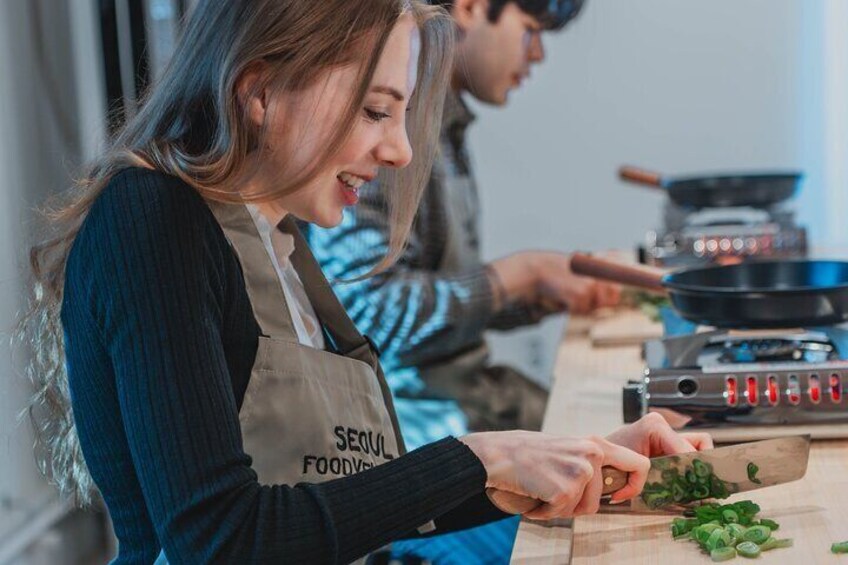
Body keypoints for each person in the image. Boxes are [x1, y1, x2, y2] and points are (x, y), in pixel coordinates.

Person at [19, 1, 710, 564]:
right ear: (260, 91)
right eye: (376, 110)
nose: (401, 150)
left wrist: (567, 456)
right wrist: (478, 456)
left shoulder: (279, 238)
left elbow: (341, 500)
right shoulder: (153, 220)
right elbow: (220, 540)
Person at [306, 1, 619, 560]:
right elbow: (360, 310)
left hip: (466, 418)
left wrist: (534, 291)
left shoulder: (443, 123)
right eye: (531, 32)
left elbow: (427, 289)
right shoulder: (389, 136)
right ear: (472, 7)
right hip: (417, 446)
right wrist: (509, 278)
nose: (539, 56)